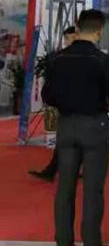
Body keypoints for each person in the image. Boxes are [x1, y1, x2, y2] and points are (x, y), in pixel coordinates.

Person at [41, 10, 109, 246]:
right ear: (99, 32)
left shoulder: (57, 59)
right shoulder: (102, 61)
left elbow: (47, 95)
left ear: (77, 28)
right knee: (93, 190)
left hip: (66, 126)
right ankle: (92, 241)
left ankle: (64, 240)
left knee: (65, 188)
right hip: (95, 126)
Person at [29, 26, 78, 182]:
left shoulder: (72, 57)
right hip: (66, 104)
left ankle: (56, 171)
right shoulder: (59, 57)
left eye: (70, 38)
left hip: (74, 104)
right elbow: (51, 81)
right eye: (66, 38)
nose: (68, 41)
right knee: (67, 139)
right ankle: (59, 170)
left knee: (69, 139)